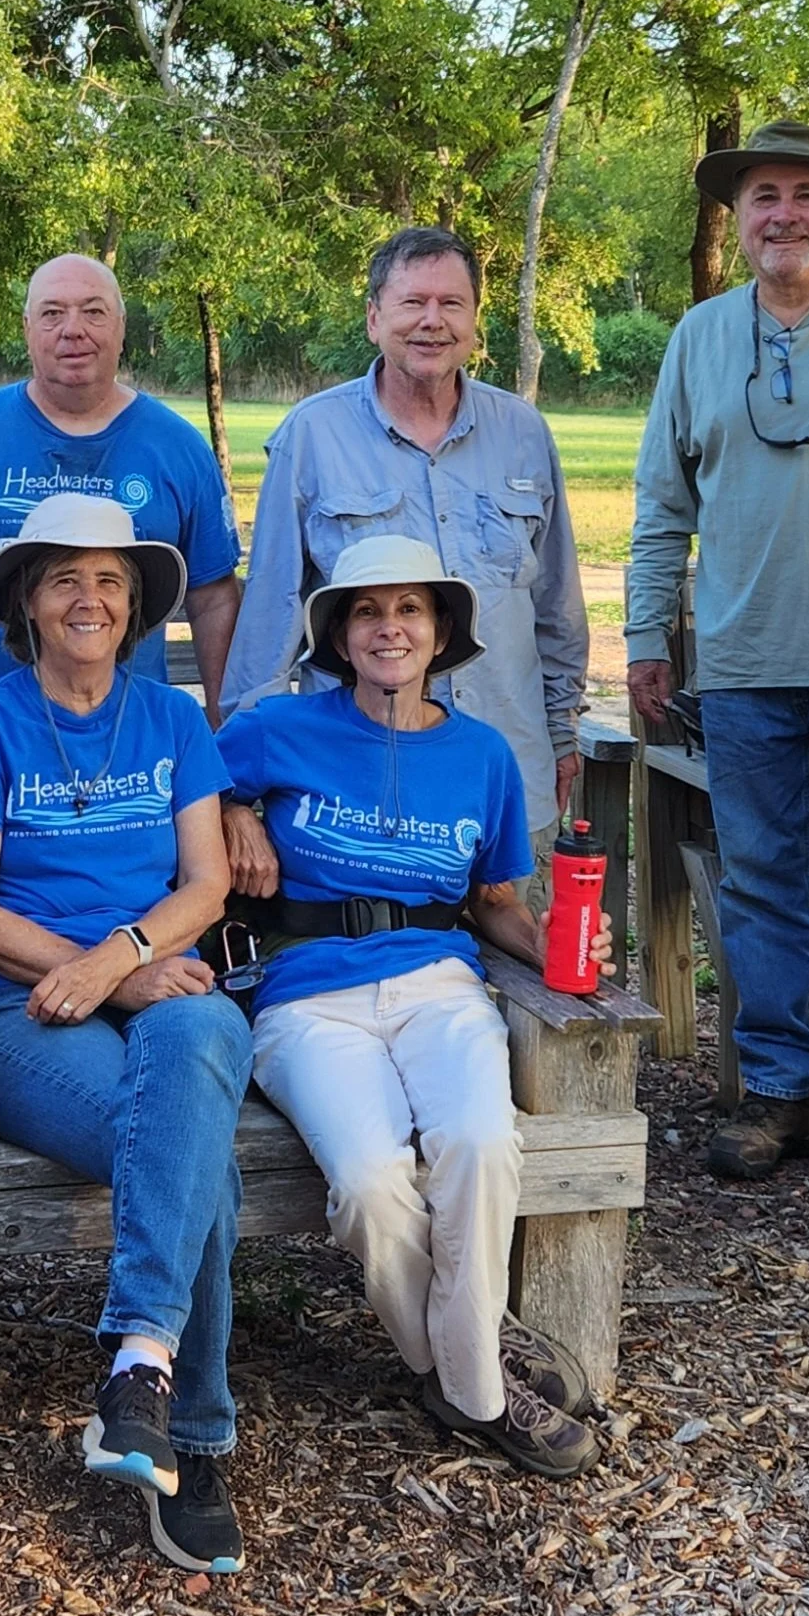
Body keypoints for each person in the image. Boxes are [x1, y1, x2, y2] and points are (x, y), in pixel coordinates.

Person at [219, 537, 608, 1480]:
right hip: (308, 995)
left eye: (410, 611)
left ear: (441, 635)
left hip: (440, 987)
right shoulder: (276, 729)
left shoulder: (480, 756)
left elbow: (494, 903)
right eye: (366, 612)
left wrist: (566, 958)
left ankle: (463, 1380)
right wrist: (235, 813)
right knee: (368, 1180)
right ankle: (480, 1373)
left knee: (479, 1141)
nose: (388, 628)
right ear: (339, 636)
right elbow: (190, 788)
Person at [0, 494, 250, 1575]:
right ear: (27, 600)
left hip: (143, 979)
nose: (88, 597)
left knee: (200, 1029)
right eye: (64, 577)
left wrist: (115, 961)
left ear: (134, 607)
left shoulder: (171, 719)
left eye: (109, 580)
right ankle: (194, 1431)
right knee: (192, 1154)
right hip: (16, 1008)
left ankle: (142, 1370)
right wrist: (104, 975)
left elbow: (206, 881)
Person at [626, 121, 809, 1205]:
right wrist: (648, 637)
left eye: (805, 193)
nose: (783, 214)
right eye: (762, 197)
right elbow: (660, 506)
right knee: (759, 882)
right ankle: (778, 1089)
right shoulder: (698, 338)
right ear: (735, 217)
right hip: (741, 662)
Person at [224, 227, 588, 910]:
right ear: (373, 318)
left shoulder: (524, 433)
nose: (432, 321)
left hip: (505, 778)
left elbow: (557, 603)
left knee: (523, 983)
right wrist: (242, 797)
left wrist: (562, 731)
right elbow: (271, 614)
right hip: (356, 802)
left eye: (452, 304)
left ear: (476, 321)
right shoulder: (313, 437)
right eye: (412, 302)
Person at [0, 254, 242, 731]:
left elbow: (214, 599)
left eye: (93, 311)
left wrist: (225, 731)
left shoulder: (178, 448)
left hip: (130, 747)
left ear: (121, 326)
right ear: (27, 327)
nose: (72, 329)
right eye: (53, 313)